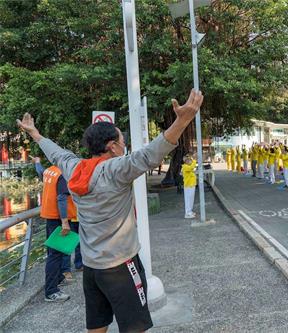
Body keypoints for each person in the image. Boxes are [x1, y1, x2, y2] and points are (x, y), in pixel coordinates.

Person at [18, 90, 203, 333]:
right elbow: (151, 154)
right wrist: (182, 121)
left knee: (97, 325)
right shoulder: (116, 170)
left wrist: (36, 134)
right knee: (135, 326)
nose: (125, 147)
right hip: (121, 265)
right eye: (122, 142)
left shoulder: (74, 168)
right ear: (112, 146)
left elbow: (56, 152)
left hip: (93, 268)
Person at [35, 158, 77, 302]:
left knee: (55, 253)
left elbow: (40, 172)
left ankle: (58, 278)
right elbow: (61, 198)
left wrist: (37, 163)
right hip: (59, 219)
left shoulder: (50, 171)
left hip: (50, 216)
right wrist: (65, 222)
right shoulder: (62, 174)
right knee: (55, 255)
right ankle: (51, 291)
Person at [181, 154, 197, 219]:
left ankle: (190, 211)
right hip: (188, 186)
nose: (191, 161)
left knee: (191, 199)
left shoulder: (188, 166)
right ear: (186, 161)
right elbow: (192, 167)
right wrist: (195, 160)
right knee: (188, 200)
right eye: (189, 160)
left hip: (191, 185)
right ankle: (187, 213)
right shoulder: (185, 167)